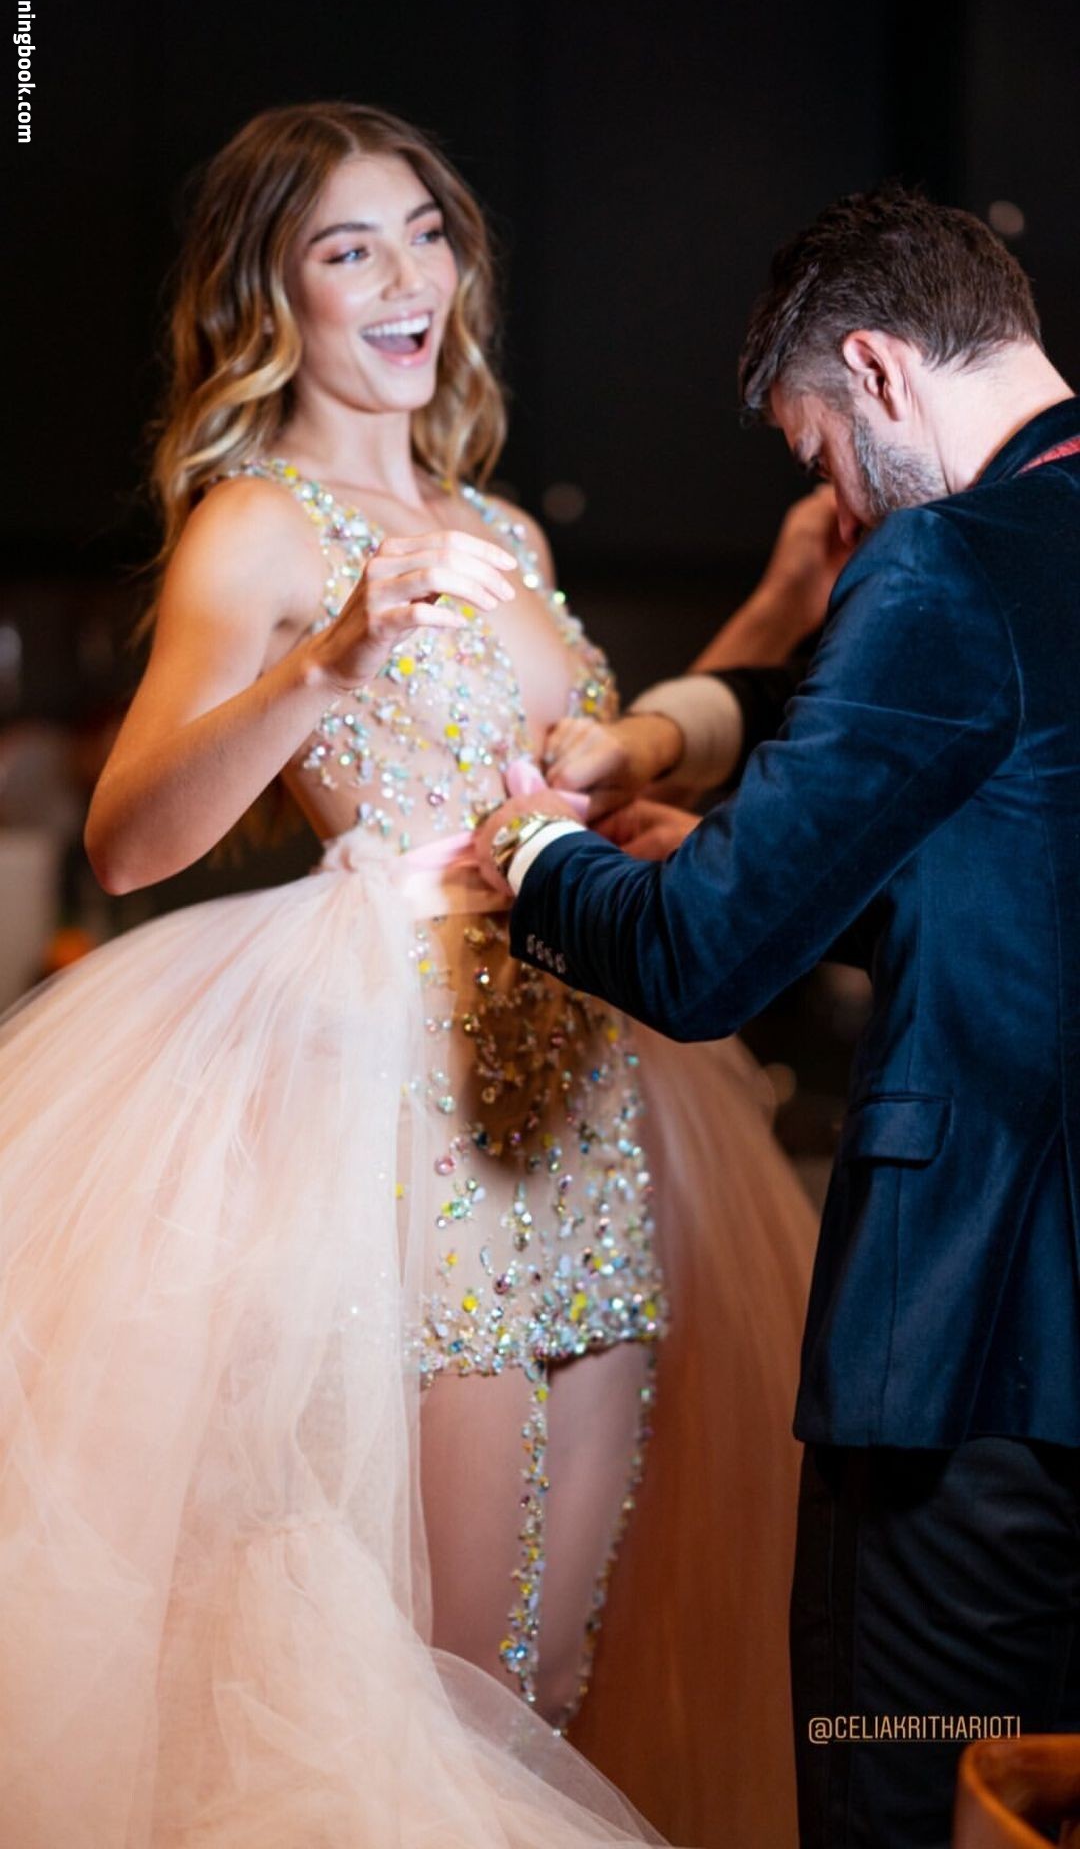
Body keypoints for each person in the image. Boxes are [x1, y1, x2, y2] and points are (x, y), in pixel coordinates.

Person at [0, 100, 819, 1848]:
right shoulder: (257, 529)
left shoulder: (503, 527)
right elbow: (130, 840)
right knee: (448, 1684)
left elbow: (573, 767)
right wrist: (329, 659)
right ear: (271, 295)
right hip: (411, 1109)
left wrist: (768, 619)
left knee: (555, 1672)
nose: (405, 280)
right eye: (348, 248)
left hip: (593, 1093)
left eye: (427, 235)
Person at [477, 186, 1080, 1849]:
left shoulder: (947, 560)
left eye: (821, 453)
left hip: (976, 1353)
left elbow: (701, 969)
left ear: (878, 370)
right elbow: (1025, 884)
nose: (838, 505)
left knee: (906, 1792)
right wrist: (730, 851)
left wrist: (535, 860)